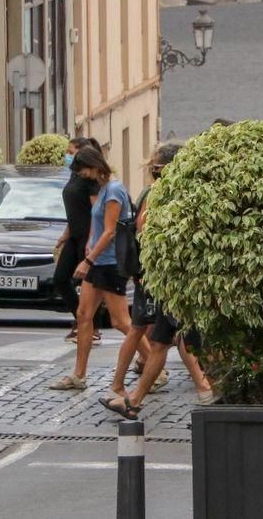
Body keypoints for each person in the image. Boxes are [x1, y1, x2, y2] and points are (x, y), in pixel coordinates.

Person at [103, 144, 214, 419]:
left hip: (177, 282)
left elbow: (148, 229)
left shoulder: (171, 197)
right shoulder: (170, 195)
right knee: (162, 342)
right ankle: (137, 400)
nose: (154, 172)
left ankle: (210, 392)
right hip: (169, 282)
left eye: (157, 167)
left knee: (186, 342)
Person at [50, 147, 151, 391]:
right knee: (84, 315)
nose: (82, 175)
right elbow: (97, 225)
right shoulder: (103, 188)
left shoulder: (114, 190)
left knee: (120, 321)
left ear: (95, 166)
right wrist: (88, 244)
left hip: (109, 263)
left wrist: (88, 260)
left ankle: (155, 365)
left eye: (83, 170)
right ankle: (79, 374)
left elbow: (110, 230)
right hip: (98, 261)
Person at [55, 136, 103, 344]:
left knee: (87, 284)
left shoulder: (89, 177)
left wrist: (92, 240)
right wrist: (65, 235)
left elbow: (95, 211)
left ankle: (90, 326)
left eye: (70, 151)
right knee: (60, 279)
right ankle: (82, 321)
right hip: (74, 235)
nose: (67, 155)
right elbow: (74, 208)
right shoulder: (74, 175)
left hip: (87, 236)